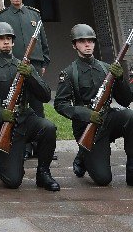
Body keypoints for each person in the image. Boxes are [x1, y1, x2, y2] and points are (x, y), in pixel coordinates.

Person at [0, 22, 60, 191]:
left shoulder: (25, 66)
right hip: (3, 126)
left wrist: (31, 75)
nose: (5, 41)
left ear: (13, 42)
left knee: (48, 128)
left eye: (9, 38)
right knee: (12, 181)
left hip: (26, 119)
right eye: (1, 39)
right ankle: (6, 163)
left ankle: (43, 173)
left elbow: (45, 96)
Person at [54, 24, 133, 186]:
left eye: (90, 41)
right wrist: (86, 114)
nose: (87, 44)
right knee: (104, 179)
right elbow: (60, 104)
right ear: (74, 45)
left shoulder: (106, 68)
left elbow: (125, 101)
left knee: (130, 117)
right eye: (82, 41)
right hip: (86, 126)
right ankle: (83, 155)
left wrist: (120, 79)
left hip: (107, 119)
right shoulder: (69, 73)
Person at [0, 0, 50, 158]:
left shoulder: (34, 14)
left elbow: (42, 40)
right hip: (13, 65)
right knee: (20, 105)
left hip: (34, 64)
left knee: (37, 105)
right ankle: (23, 146)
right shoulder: (1, 17)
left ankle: (40, 145)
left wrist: (44, 62)